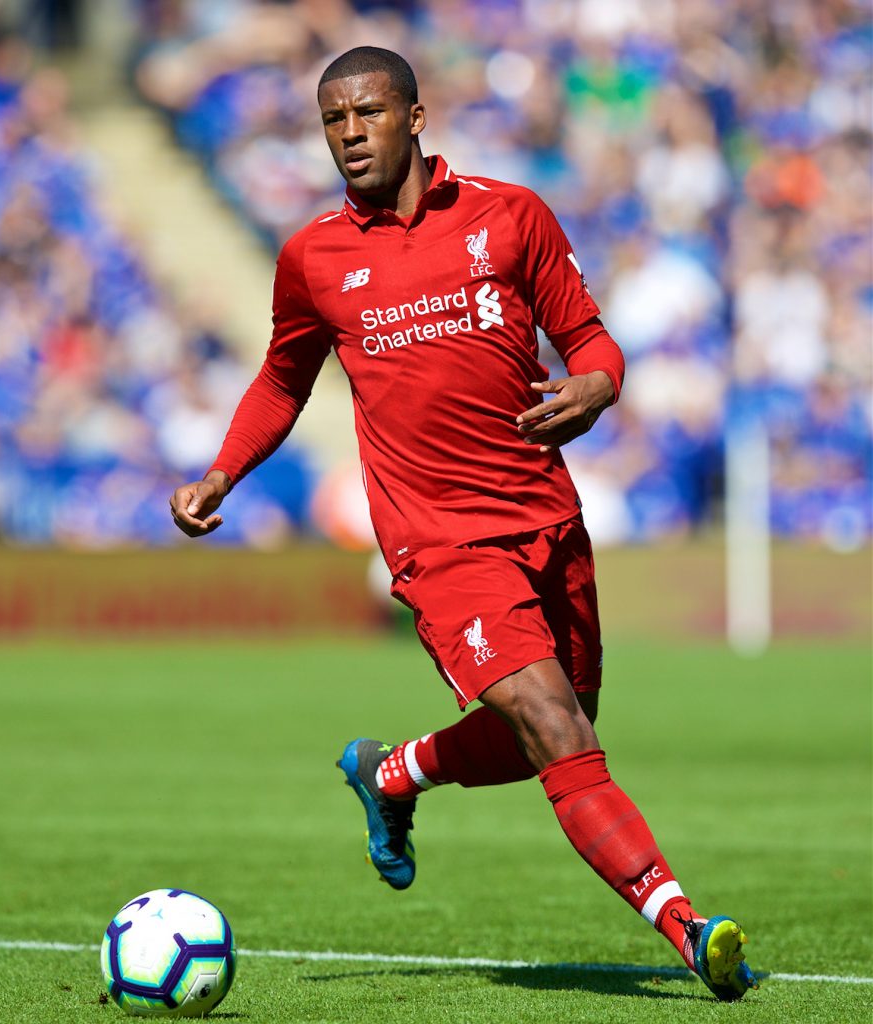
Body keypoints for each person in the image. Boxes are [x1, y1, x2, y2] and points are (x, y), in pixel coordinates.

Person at [170, 46, 758, 1001]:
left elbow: (589, 335)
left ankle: (394, 771)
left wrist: (599, 385)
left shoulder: (510, 213)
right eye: (332, 119)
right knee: (555, 727)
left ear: (415, 117)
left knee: (559, 730)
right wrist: (220, 473)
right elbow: (283, 380)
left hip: (543, 515)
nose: (349, 133)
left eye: (366, 112)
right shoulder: (314, 255)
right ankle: (687, 926)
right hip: (437, 540)